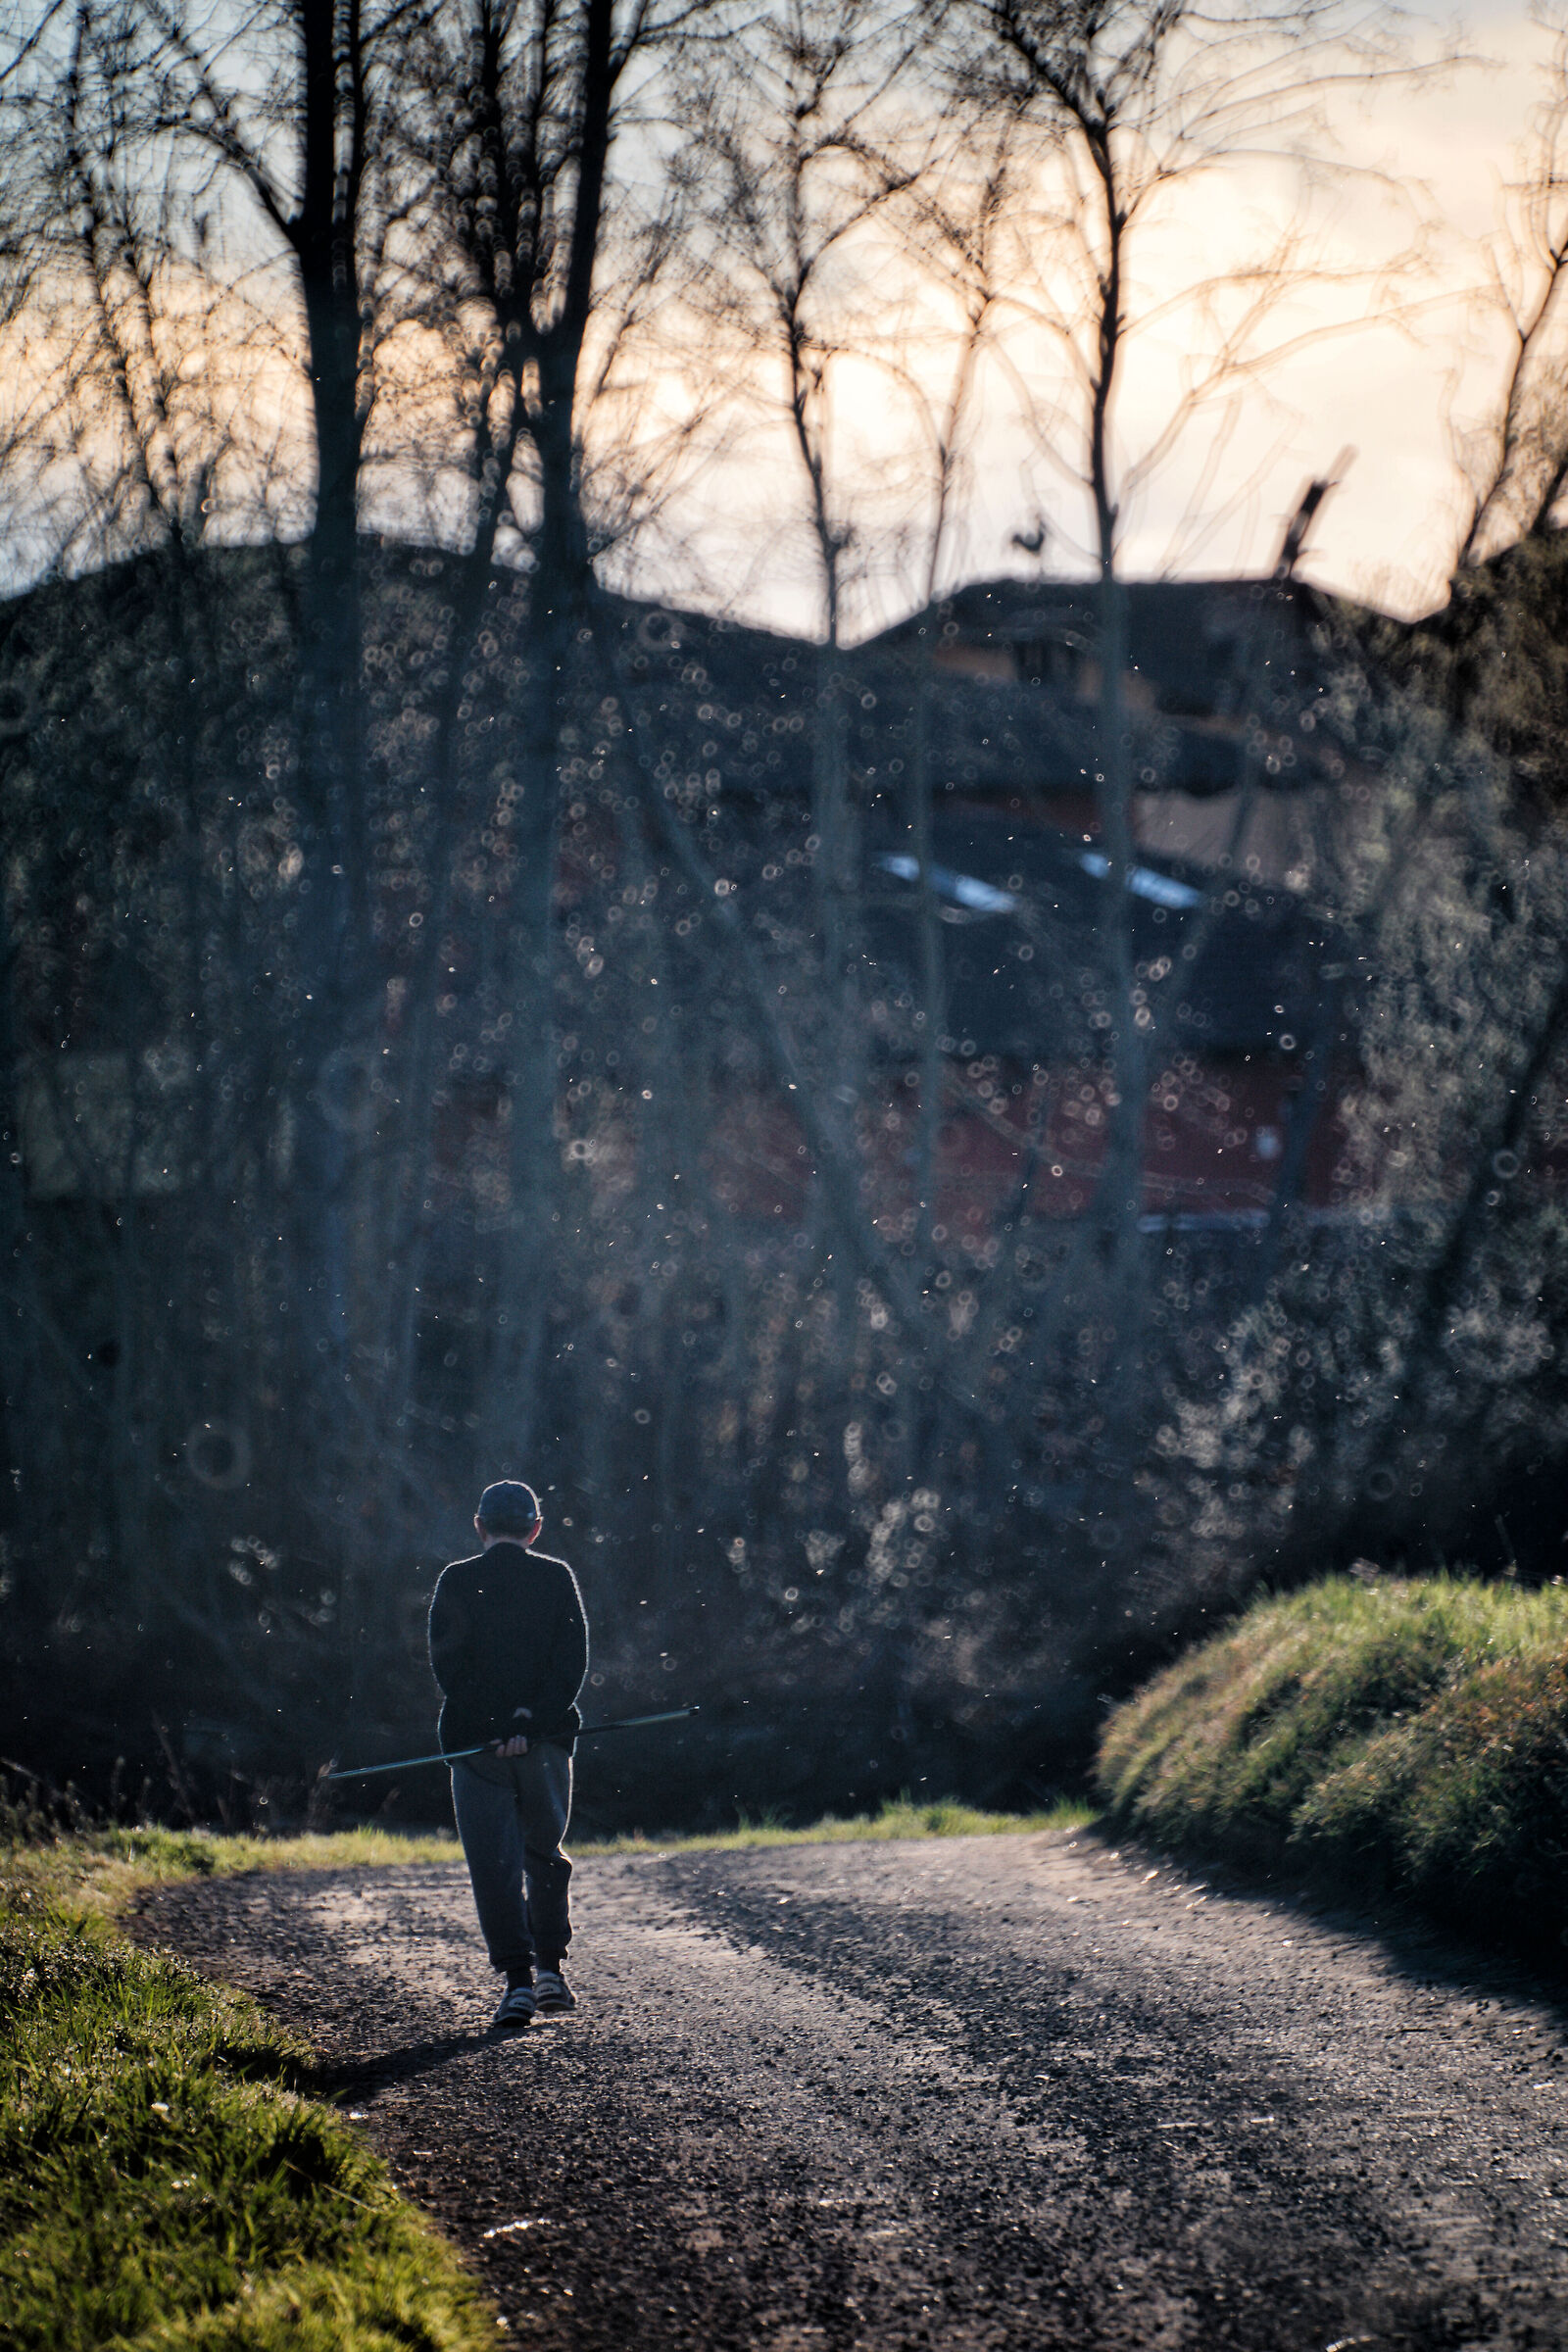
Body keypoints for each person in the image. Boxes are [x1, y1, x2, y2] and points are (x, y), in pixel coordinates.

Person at [427, 1480, 589, 2030]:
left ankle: (517, 1984)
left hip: (475, 1747)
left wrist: (495, 1726)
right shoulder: (556, 1576)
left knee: (493, 1864)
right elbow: (571, 1663)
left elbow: (449, 1668)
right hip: (546, 1744)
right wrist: (528, 1721)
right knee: (543, 1853)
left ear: (479, 1526)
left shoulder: (455, 1579)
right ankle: (551, 1973)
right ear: (535, 1529)